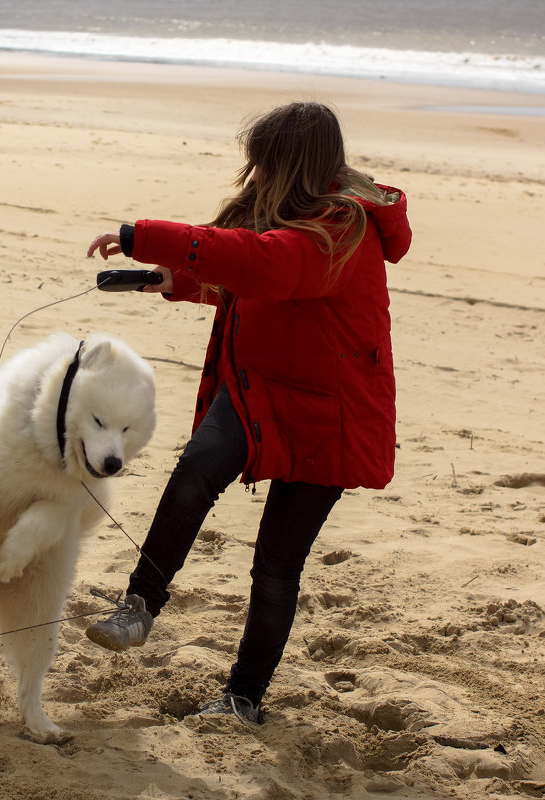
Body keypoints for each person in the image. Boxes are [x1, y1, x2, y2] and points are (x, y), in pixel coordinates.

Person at [84, 101, 412, 726]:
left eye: (266, 158)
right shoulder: (293, 213)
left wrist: (142, 233)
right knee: (191, 479)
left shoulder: (343, 223)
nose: (255, 169)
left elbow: (268, 265)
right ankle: (139, 606)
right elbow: (254, 285)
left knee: (275, 568)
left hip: (330, 417)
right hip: (260, 391)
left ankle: (243, 698)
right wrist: (173, 281)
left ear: (295, 161)